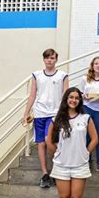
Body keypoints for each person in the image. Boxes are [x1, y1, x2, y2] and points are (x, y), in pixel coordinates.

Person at [46, 87, 98, 198]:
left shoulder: (86, 118)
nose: (73, 100)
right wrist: (58, 154)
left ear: (80, 100)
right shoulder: (57, 119)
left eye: (76, 98)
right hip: (61, 166)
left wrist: (85, 153)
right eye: (71, 97)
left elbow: (95, 139)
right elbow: (49, 141)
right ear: (66, 99)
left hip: (79, 165)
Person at [22, 48, 68, 188]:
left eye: (52, 58)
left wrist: (64, 113)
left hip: (54, 114)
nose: (50, 60)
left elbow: (66, 96)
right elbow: (32, 95)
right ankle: (45, 173)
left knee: (50, 143)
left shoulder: (62, 75)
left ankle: (56, 170)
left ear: (56, 59)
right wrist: (26, 113)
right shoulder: (36, 75)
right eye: (47, 58)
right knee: (41, 144)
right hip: (40, 113)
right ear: (44, 59)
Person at [79, 56, 99, 173]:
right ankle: (86, 161)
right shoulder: (85, 79)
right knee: (86, 136)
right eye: (96, 64)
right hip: (87, 107)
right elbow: (79, 93)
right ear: (92, 66)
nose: (98, 66)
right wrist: (84, 96)